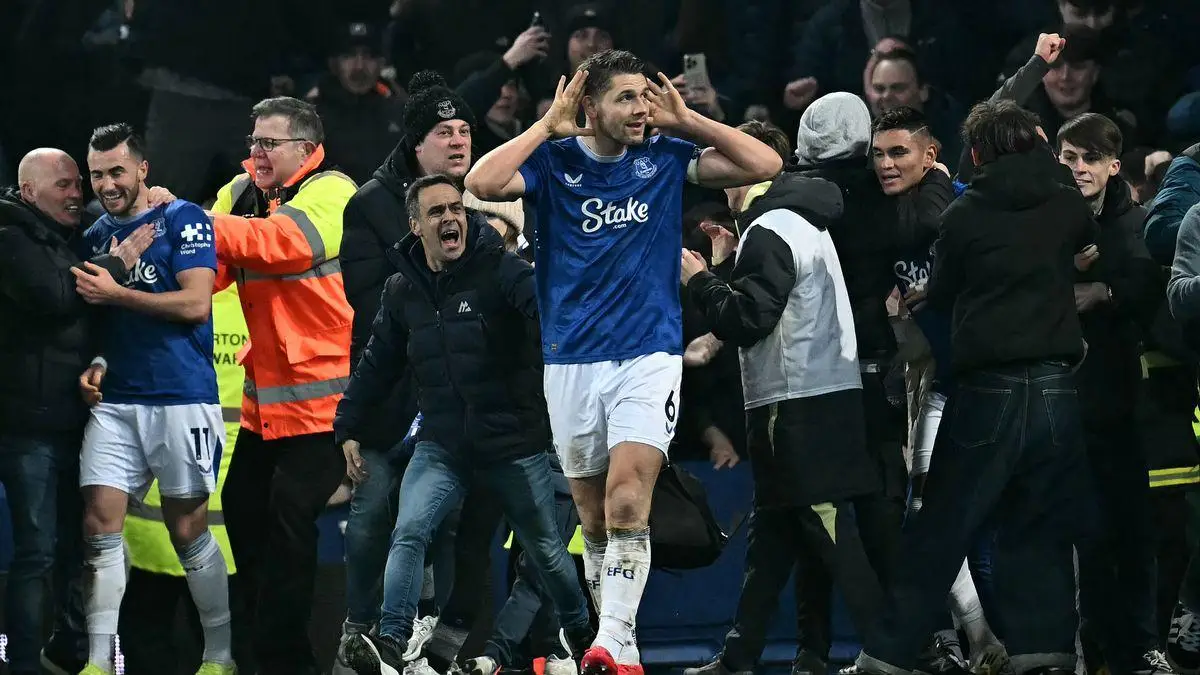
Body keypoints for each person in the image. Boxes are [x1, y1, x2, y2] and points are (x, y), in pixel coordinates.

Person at [465, 48, 782, 674]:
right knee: (591, 516)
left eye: (645, 95)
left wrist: (688, 120)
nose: (640, 109)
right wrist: (545, 126)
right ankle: (619, 647)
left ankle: (611, 639)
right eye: (626, 98)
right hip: (570, 361)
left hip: (647, 354)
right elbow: (481, 184)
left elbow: (766, 163)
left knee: (628, 496)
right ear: (590, 105)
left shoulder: (665, 157)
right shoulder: (554, 161)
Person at [856, 99, 1096, 675]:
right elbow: (1086, 251)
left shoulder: (966, 213)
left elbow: (946, 287)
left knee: (941, 526)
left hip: (989, 386)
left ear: (979, 152)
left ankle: (888, 657)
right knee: (1039, 526)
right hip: (1057, 387)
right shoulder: (1066, 201)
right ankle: (1044, 654)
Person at [333, 174, 595, 675]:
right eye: (436, 212)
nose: (451, 218)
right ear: (415, 225)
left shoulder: (500, 269)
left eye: (457, 208)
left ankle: (583, 634)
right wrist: (348, 426)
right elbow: (377, 364)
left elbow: (546, 311)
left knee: (544, 550)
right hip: (444, 444)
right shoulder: (402, 288)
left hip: (512, 443)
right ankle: (391, 641)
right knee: (409, 529)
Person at [680, 120, 885, 675]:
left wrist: (700, 279)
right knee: (772, 540)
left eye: (726, 162)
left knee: (831, 535)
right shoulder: (796, 219)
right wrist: (726, 267)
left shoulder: (770, 227)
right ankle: (742, 657)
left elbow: (749, 320)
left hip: (797, 407)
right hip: (809, 399)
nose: (716, 174)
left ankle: (891, 653)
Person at [70, 123, 233, 675]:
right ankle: (98, 661)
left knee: (188, 530)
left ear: (142, 169)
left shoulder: (184, 219)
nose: (106, 184)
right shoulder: (95, 235)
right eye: (96, 174)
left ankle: (219, 656)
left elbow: (195, 304)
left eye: (117, 171)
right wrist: (97, 360)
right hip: (116, 403)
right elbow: (99, 321)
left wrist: (118, 292)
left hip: (181, 397)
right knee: (99, 525)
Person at [207, 96, 356, 675]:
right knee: (242, 511)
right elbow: (212, 267)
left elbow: (281, 244)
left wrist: (189, 219)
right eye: (253, 142)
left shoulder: (334, 191)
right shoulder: (240, 192)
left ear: (305, 148)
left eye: (269, 143)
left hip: (325, 406)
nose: (257, 153)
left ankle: (287, 662)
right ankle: (257, 653)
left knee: (290, 520)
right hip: (265, 404)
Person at [0, 148, 151, 675]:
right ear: (28, 192)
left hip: (79, 421)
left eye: (76, 183)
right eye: (62, 184)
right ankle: (21, 663)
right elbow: (58, 295)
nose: (75, 193)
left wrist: (155, 200)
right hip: (28, 428)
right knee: (37, 552)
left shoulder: (75, 234)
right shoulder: (9, 238)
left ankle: (67, 652)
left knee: (79, 547)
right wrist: (118, 262)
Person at [1056, 112, 1168, 675]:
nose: (1078, 168)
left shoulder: (1136, 224)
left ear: (1114, 166)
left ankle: (1142, 644)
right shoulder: (1046, 221)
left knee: (1134, 529)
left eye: (1090, 158)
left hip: (1125, 401)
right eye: (1069, 158)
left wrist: (1106, 290)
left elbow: (1153, 291)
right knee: (1087, 534)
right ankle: (1096, 647)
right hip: (1065, 399)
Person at [118, 280, 254, 675]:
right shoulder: (255, 306)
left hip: (151, 530)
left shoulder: (149, 303)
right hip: (228, 538)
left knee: (147, 643)